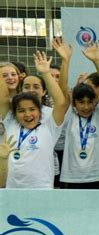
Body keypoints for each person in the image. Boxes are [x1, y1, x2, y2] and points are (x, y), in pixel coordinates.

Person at [3, 51, 68, 188]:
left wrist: (45, 73)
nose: (27, 115)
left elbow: (61, 102)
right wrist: (6, 73)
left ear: (40, 111)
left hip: (41, 189)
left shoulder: (48, 123)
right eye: (21, 111)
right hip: (12, 188)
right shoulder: (11, 119)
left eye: (32, 110)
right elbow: (3, 96)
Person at [60, 83, 99, 189]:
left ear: (95, 102)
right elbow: (62, 90)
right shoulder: (69, 116)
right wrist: (66, 64)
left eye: (90, 102)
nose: (86, 107)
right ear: (74, 103)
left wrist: (97, 65)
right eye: (81, 102)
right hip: (72, 177)